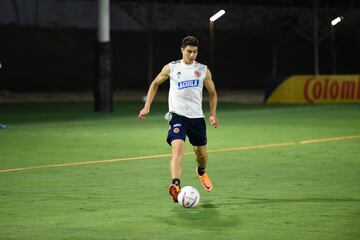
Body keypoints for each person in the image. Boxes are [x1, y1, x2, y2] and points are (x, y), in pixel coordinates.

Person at [138, 36, 218, 202]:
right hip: (177, 116)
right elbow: (155, 84)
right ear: (182, 50)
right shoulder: (171, 68)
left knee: (201, 154)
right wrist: (147, 107)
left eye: (195, 52)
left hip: (197, 118)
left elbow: (212, 93)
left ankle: (201, 172)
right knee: (178, 149)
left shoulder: (203, 70)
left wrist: (212, 113)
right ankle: (175, 185)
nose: (192, 55)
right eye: (189, 51)